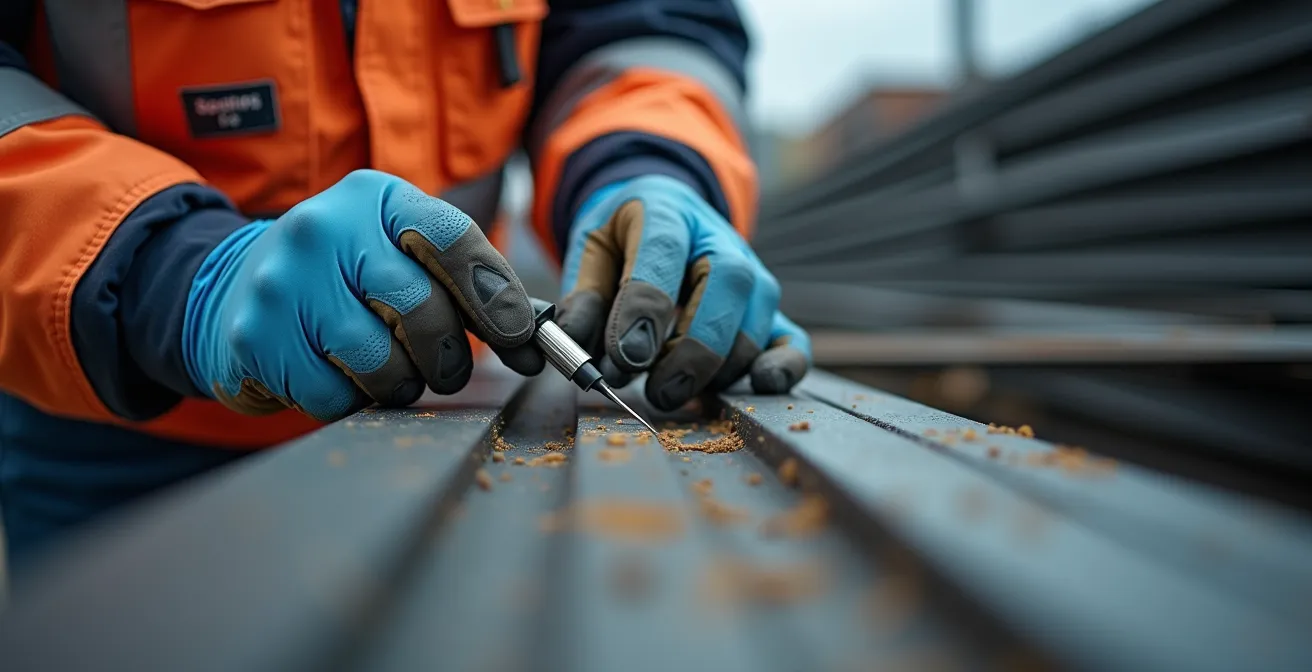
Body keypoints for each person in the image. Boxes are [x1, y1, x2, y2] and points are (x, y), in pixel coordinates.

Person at [0, 0, 810, 564]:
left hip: (441, 414)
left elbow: (638, 25)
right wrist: (174, 275)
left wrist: (649, 166)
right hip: (127, 441)